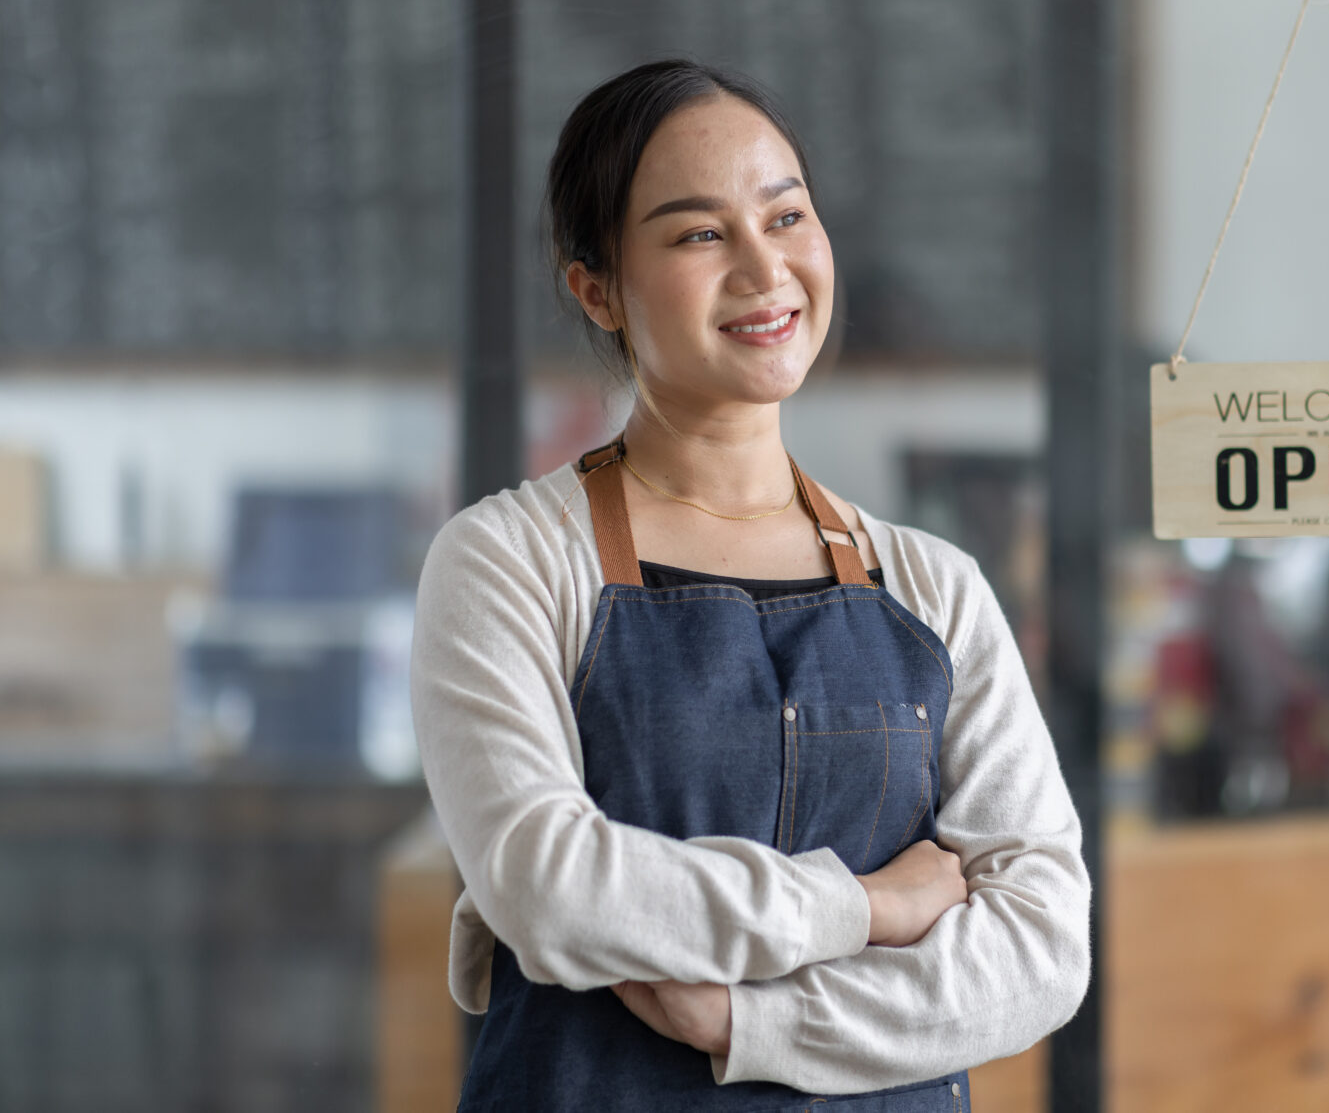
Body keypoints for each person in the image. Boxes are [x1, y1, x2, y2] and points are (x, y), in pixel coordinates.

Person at [410, 59, 1092, 1112]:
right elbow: (547, 883)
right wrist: (863, 907)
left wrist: (754, 1022)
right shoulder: (507, 562)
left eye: (786, 216)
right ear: (597, 287)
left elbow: (1043, 946)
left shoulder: (934, 585)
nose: (764, 269)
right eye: (698, 234)